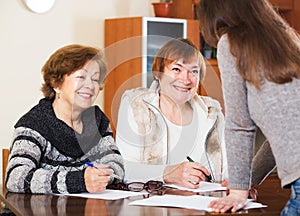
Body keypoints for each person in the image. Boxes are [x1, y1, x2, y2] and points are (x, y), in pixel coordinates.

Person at [116, 38, 275, 191]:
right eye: (176, 69)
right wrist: (170, 173)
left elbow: (227, 172)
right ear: (159, 73)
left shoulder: (212, 112)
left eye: (193, 72)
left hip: (204, 205)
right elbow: (124, 169)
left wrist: (239, 188)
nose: (186, 80)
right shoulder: (136, 105)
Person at [197, 0, 300, 214]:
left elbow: (239, 125)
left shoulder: (232, 43)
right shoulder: (286, 37)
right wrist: (246, 180)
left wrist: (237, 191)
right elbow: (282, 132)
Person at [5, 44, 124, 194]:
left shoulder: (96, 120)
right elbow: (16, 178)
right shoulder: (34, 124)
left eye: (95, 79)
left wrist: (101, 176)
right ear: (56, 84)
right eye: (81, 77)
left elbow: (116, 164)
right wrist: (79, 180)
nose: (90, 85)